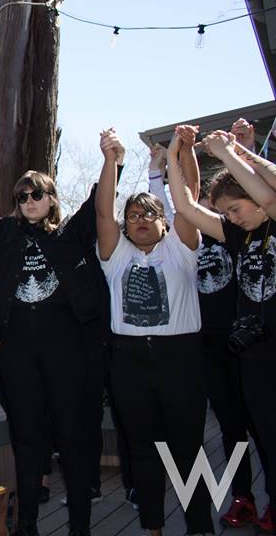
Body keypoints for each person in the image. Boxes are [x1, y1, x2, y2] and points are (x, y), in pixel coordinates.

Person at [0, 134, 102, 536]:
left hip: (65, 350)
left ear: (51, 197)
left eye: (36, 194)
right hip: (18, 351)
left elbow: (99, 206)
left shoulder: (70, 236)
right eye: (21, 196)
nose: (29, 201)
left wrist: (111, 159)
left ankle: (80, 525)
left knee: (71, 436)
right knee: (27, 438)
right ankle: (27, 524)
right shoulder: (5, 236)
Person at [97, 127, 213, 536]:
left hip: (180, 358)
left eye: (149, 214)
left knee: (187, 450)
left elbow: (190, 202)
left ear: (163, 222)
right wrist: (111, 160)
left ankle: (198, 526)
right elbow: (102, 213)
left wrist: (183, 153)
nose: (141, 221)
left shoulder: (180, 247)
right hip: (129, 361)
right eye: (133, 216)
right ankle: (152, 528)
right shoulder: (116, 254)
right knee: (142, 450)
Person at [167, 126, 276, 532]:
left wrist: (229, 153)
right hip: (253, 354)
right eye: (227, 213)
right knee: (258, 430)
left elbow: (267, 195)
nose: (232, 218)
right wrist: (177, 154)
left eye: (236, 209)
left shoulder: (272, 218)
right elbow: (185, 206)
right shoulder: (238, 235)